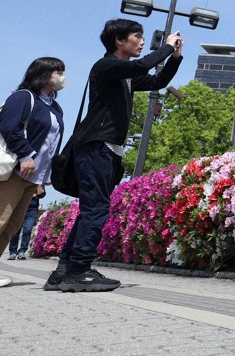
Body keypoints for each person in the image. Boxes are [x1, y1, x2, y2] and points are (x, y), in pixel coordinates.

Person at [47, 19, 183, 293]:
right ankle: (79, 271)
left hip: (105, 149)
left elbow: (157, 79)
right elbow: (141, 66)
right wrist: (166, 48)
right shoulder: (106, 66)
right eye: (137, 36)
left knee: (91, 209)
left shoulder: (125, 75)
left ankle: (65, 270)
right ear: (119, 41)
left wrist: (175, 57)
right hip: (96, 146)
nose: (142, 41)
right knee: (96, 209)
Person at [0, 57, 67, 288]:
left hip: (32, 177)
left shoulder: (53, 106)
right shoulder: (23, 97)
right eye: (57, 71)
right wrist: (25, 155)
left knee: (9, 226)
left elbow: (51, 142)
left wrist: (45, 174)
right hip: (11, 171)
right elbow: (9, 126)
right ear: (42, 74)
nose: (61, 76)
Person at [6, 185, 45, 260]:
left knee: (28, 229)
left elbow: (42, 194)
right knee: (15, 231)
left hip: (32, 210)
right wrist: (32, 195)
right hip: (18, 207)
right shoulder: (22, 180)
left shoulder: (38, 181)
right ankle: (13, 252)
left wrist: (37, 184)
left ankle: (22, 251)